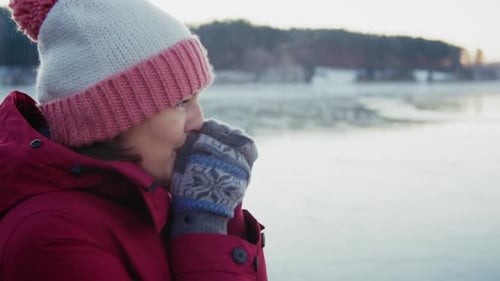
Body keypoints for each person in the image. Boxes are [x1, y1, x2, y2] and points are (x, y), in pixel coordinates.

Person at [0, 0, 267, 280]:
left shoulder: (146, 202)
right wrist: (203, 227)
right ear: (110, 118)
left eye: (198, 99)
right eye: (182, 102)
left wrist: (225, 215)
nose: (199, 122)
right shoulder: (54, 238)